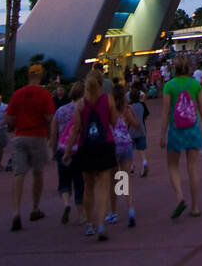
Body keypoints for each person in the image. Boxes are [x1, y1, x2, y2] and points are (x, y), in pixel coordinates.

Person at [63, 71, 116, 242]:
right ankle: (101, 223)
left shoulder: (80, 104)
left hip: (86, 147)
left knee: (88, 186)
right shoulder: (108, 100)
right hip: (105, 145)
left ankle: (89, 224)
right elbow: (113, 122)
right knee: (103, 186)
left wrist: (67, 151)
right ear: (101, 83)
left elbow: (76, 129)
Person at [5, 64, 55, 232]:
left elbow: (9, 118)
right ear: (40, 76)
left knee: (19, 174)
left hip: (20, 136)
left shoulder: (17, 94)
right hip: (38, 136)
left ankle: (15, 212)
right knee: (37, 172)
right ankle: (35, 208)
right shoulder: (44, 94)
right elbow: (49, 117)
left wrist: (15, 125)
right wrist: (50, 135)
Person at [160, 56, 202, 220]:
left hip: (176, 129)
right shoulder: (195, 85)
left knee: (173, 166)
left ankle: (180, 196)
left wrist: (162, 134)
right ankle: (195, 207)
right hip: (193, 128)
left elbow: (166, 112)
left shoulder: (169, 86)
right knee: (193, 167)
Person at [50, 81, 86, 226]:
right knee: (79, 182)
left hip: (62, 148)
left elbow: (53, 132)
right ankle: (81, 214)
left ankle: (66, 203)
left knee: (64, 180)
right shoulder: (84, 108)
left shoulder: (60, 110)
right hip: (78, 149)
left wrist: (54, 150)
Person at [109, 85, 141, 228]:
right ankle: (130, 209)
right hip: (126, 144)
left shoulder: (110, 110)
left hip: (113, 146)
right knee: (125, 178)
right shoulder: (127, 109)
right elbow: (137, 126)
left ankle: (114, 212)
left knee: (113, 180)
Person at [128, 81, 149, 177]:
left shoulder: (129, 107)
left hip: (131, 131)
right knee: (142, 149)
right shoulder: (141, 105)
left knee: (130, 149)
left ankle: (131, 166)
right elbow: (146, 116)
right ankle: (144, 162)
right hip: (141, 129)